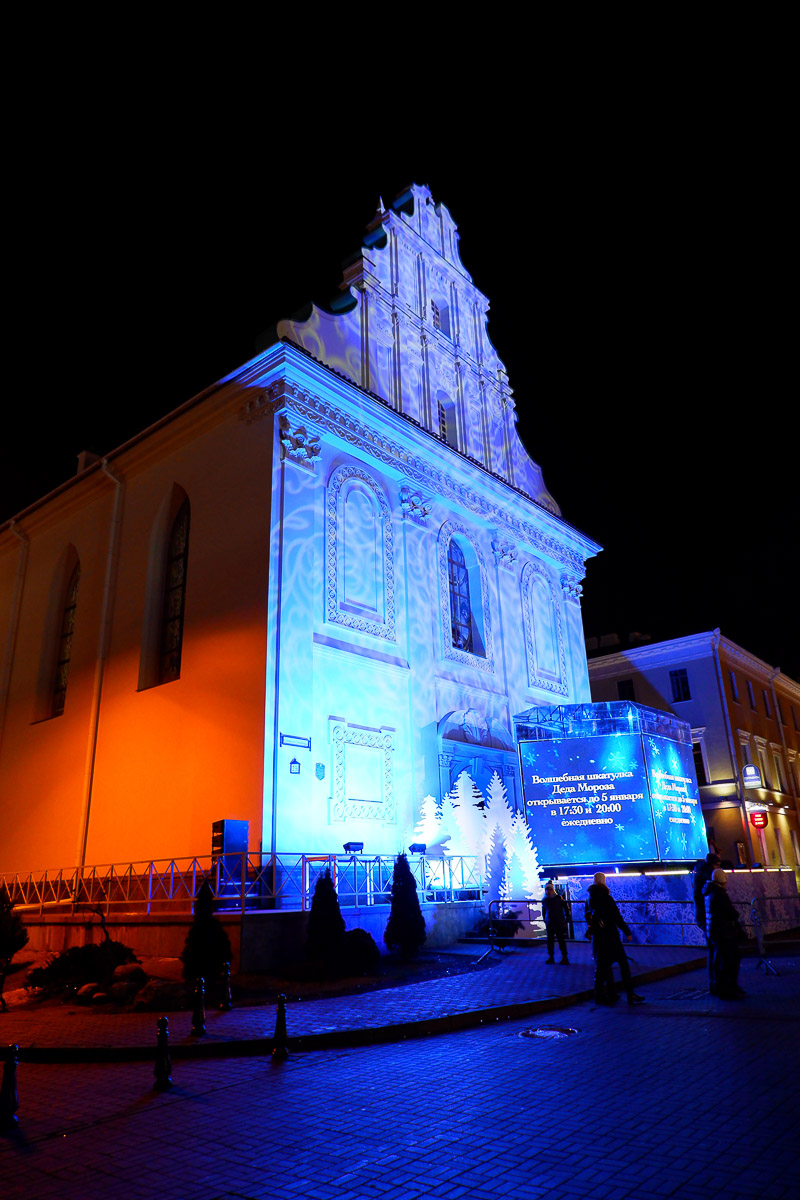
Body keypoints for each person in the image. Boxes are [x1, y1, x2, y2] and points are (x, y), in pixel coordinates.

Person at [585, 872, 644, 1006]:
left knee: (602, 968)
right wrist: (627, 931)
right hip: (611, 936)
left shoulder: (589, 899)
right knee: (623, 965)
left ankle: (601, 995)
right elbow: (616, 917)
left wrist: (590, 931)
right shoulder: (607, 898)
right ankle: (629, 993)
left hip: (598, 938)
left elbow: (588, 918)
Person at [703, 867, 745, 998]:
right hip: (723, 932)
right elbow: (731, 913)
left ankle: (720, 987)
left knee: (720, 959)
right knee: (729, 960)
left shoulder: (708, 892)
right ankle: (728, 989)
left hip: (714, 931)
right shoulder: (719, 894)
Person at [693, 851, 721, 932]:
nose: (718, 868)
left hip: (702, 913)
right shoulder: (707, 878)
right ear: (711, 864)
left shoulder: (699, 873)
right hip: (706, 913)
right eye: (717, 865)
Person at [541, 882, 570, 963]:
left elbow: (565, 907)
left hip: (557, 921)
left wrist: (567, 916)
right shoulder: (546, 899)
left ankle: (563, 957)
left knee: (560, 940)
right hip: (551, 921)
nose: (548, 891)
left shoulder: (555, 899)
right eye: (547, 890)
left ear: (552, 890)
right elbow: (544, 910)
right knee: (551, 940)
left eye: (550, 890)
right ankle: (553, 957)